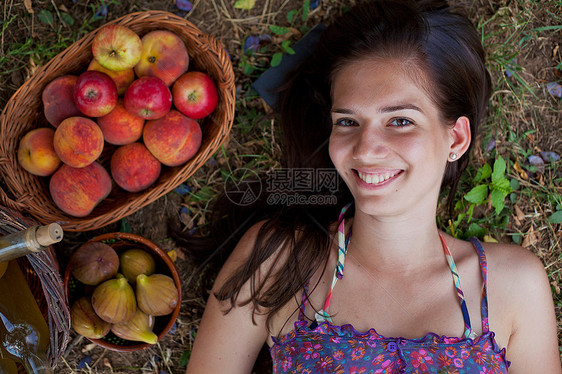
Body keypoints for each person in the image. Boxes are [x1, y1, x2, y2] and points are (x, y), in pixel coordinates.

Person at [185, 0, 562, 372]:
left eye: (400, 121)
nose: (365, 150)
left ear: (456, 139)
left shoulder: (511, 285)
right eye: (348, 122)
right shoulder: (279, 261)